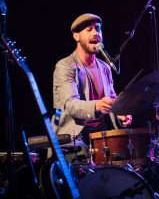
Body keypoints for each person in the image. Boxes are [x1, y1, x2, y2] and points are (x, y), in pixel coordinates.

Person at [50, 13, 132, 163]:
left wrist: (120, 112)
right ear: (76, 36)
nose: (95, 33)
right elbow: (70, 105)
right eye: (89, 29)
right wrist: (97, 105)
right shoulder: (65, 66)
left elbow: (112, 99)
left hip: (100, 136)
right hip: (72, 139)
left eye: (98, 29)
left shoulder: (105, 67)